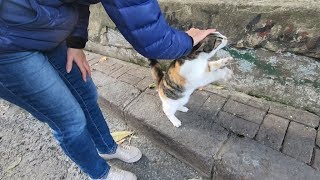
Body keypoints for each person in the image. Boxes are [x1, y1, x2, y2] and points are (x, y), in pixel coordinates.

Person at [0, 0, 215, 179]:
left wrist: (75, 42)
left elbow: (77, 3)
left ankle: (106, 147)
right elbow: (151, 36)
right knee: (69, 119)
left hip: (47, 32)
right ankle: (99, 173)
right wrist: (187, 41)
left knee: (87, 94)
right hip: (6, 48)